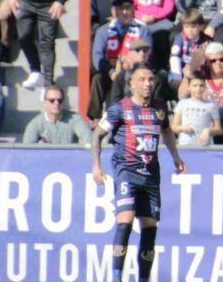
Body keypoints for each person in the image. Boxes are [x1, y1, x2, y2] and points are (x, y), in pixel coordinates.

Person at [91, 65, 185, 282]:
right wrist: (96, 165)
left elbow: (167, 132)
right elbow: (97, 134)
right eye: (142, 79)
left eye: (151, 79)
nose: (147, 83)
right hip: (127, 172)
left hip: (151, 176)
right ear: (131, 83)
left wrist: (176, 157)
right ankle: (116, 277)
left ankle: (143, 278)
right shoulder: (120, 109)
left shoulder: (159, 109)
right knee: (125, 220)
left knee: (150, 228)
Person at [89, 0, 152, 120]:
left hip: (134, 71)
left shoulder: (143, 30)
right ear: (114, 11)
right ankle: (94, 118)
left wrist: (132, 67)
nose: (125, 12)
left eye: (128, 9)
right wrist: (111, 72)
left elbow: (148, 54)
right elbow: (97, 55)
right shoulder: (104, 30)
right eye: (121, 9)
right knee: (97, 79)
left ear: (133, 10)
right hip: (110, 71)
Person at [127, 0, 175, 69]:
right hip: (140, 22)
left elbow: (169, 7)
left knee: (162, 36)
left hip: (159, 22)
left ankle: (160, 68)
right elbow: (129, 6)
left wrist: (154, 17)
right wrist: (140, 16)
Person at [23, 85, 92, 145]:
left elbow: (88, 138)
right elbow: (27, 149)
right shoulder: (35, 124)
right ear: (45, 103)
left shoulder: (75, 119)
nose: (56, 103)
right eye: (52, 100)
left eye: (60, 100)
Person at [171, 71, 221, 146]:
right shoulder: (182, 103)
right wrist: (182, 128)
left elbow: (218, 129)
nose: (198, 89)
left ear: (205, 87)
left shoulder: (211, 105)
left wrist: (208, 131)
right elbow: (174, 126)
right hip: (186, 144)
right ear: (189, 87)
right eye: (195, 86)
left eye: (201, 86)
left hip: (205, 146)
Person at [169, 9, 210, 85]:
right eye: (187, 27)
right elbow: (175, 58)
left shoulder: (207, 41)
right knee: (173, 83)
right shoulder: (179, 38)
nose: (190, 30)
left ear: (201, 27)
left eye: (193, 27)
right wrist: (178, 77)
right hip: (182, 71)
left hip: (200, 72)